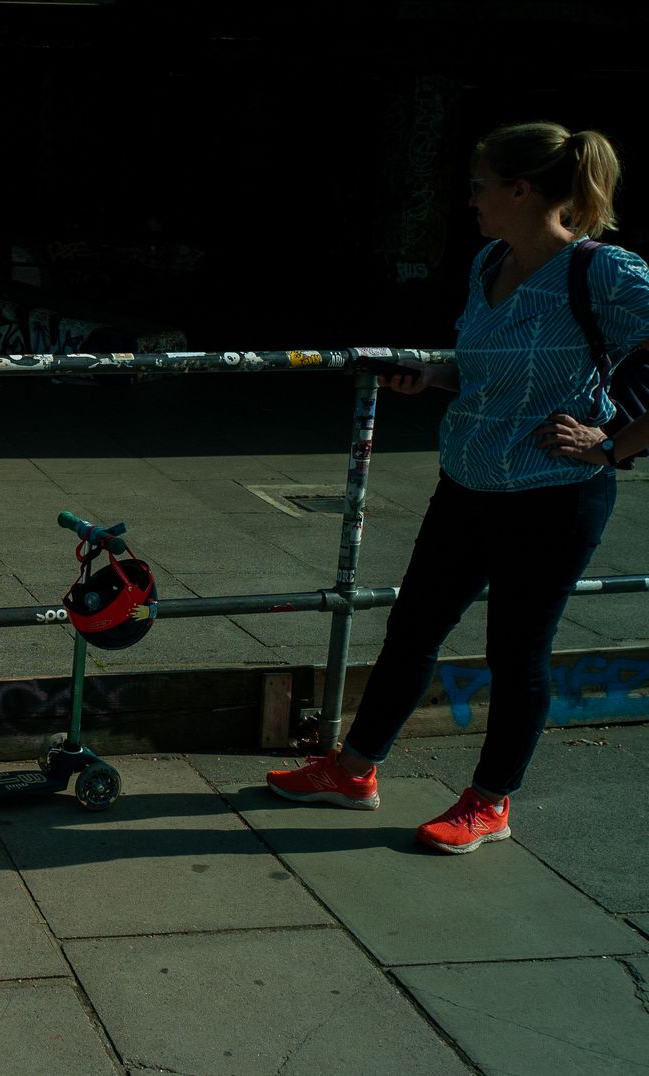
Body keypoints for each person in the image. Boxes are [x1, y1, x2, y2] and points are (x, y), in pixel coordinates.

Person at [268, 120, 649, 852]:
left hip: (553, 495)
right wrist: (432, 377)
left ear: (520, 188)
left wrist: (613, 447)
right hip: (468, 484)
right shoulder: (488, 263)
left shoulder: (600, 272)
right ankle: (353, 772)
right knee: (412, 631)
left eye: (478, 185)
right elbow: (484, 371)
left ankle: (490, 802)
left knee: (517, 652)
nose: (469, 200)